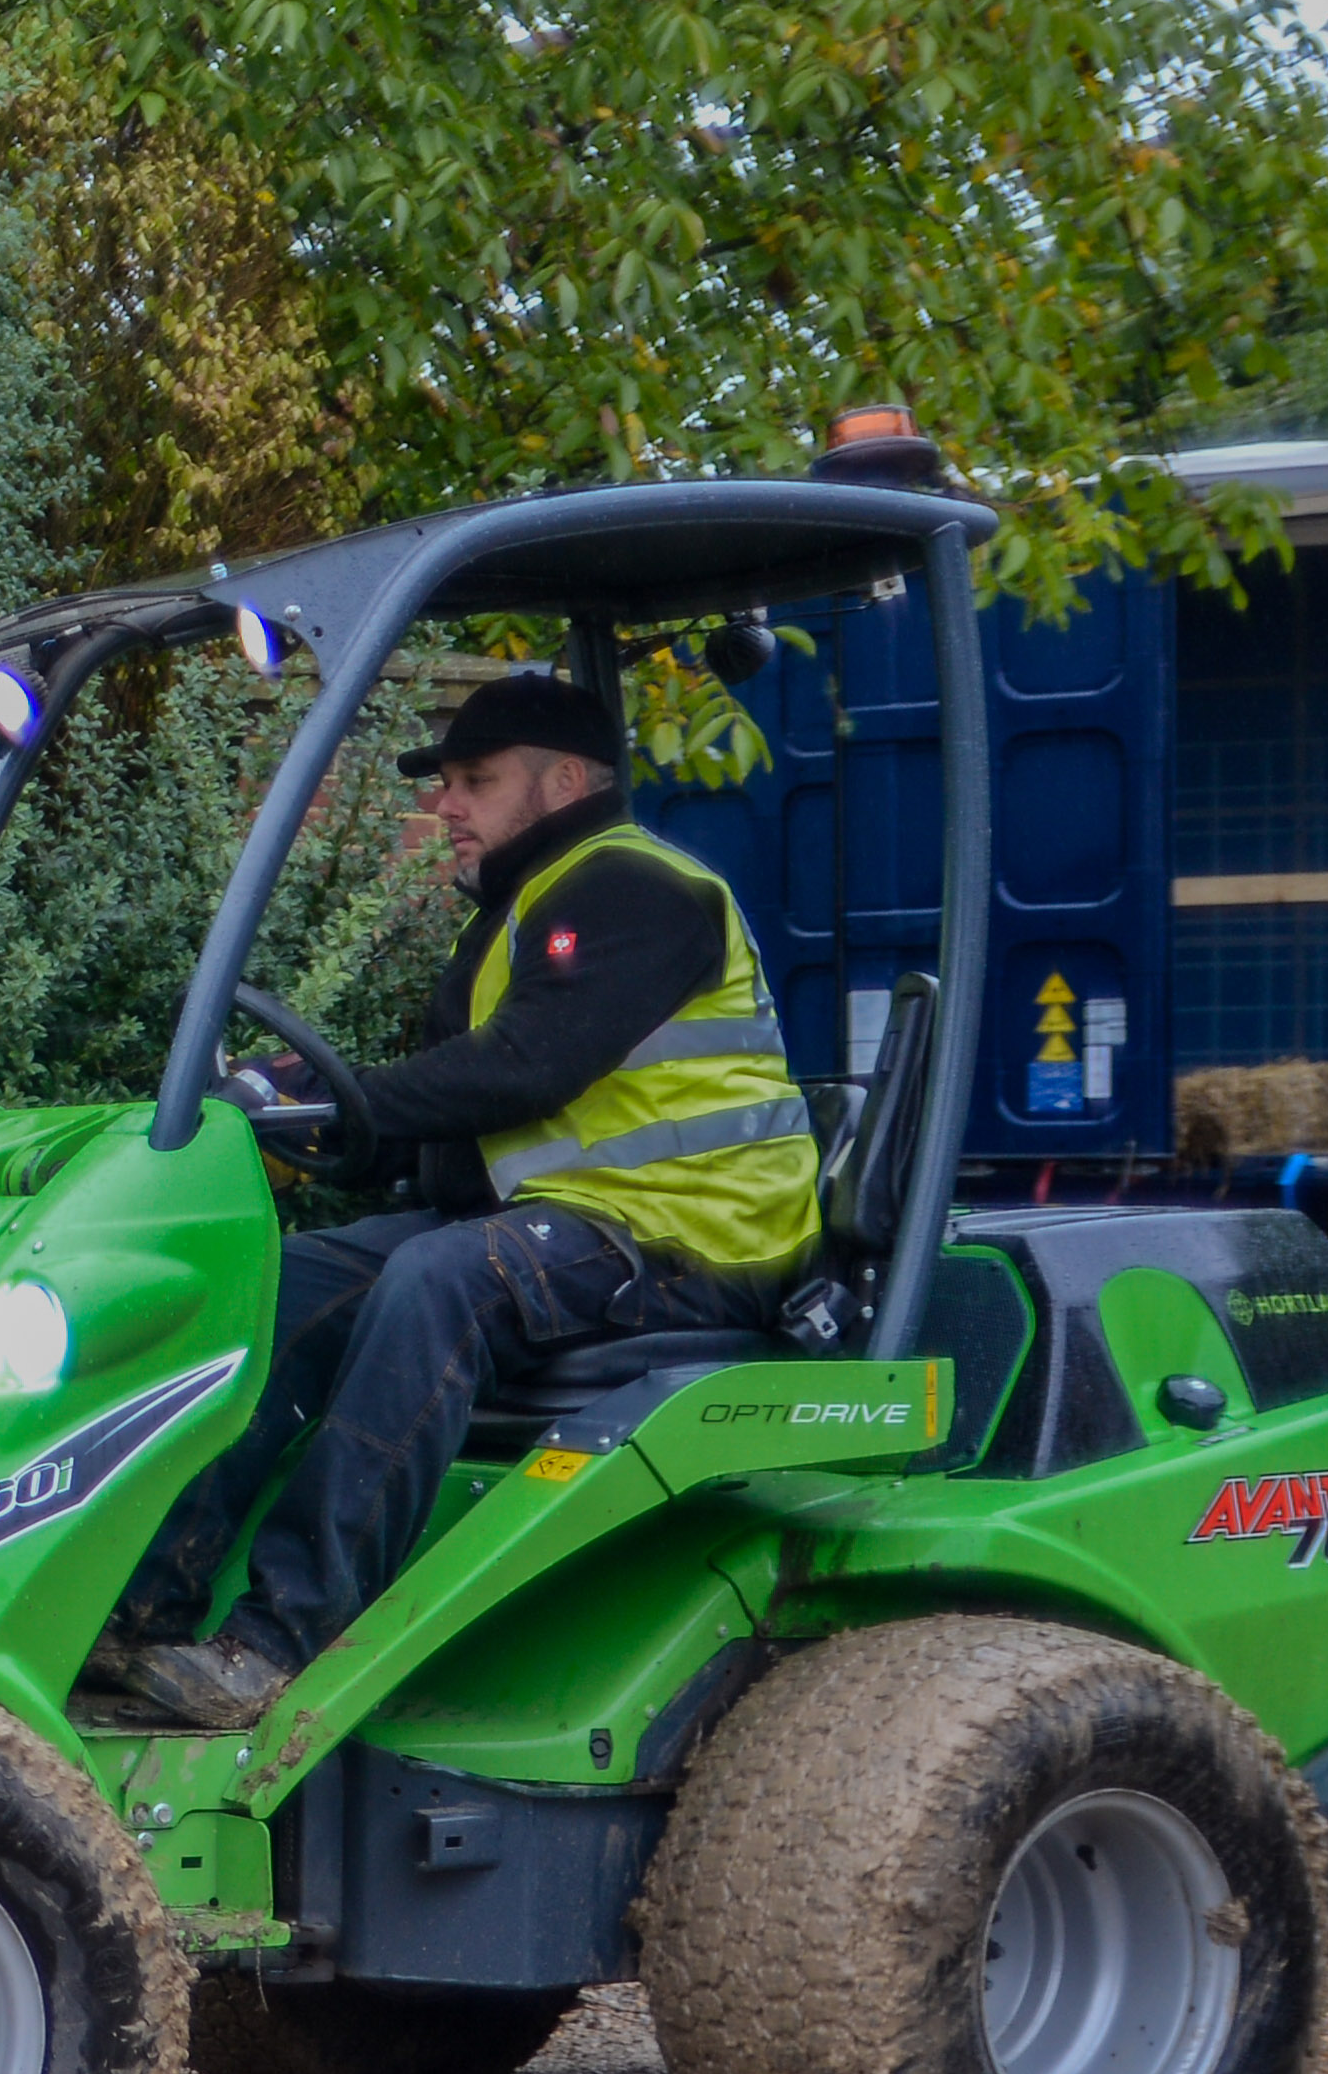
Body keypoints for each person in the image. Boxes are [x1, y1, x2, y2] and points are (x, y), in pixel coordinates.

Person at [90, 672, 823, 1734]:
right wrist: (303, 1112)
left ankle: (274, 1649)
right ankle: (138, 1613)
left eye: (474, 781)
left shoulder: (632, 889)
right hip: (569, 1220)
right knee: (281, 1281)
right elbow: (451, 1123)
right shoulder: (524, 912)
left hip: (686, 1235)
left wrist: (347, 1107)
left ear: (564, 780)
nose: (444, 807)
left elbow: (523, 1068)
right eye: (445, 786)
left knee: (439, 1281)